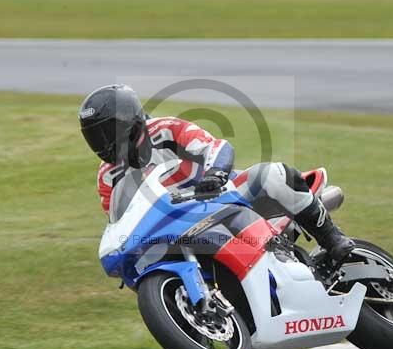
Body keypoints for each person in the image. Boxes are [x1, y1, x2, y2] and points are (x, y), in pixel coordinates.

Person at [78, 84, 355, 265]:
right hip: (177, 226)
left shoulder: (165, 129)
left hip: (224, 195)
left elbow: (217, 147)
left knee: (272, 174)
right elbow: (120, 221)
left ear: (130, 121)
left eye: (107, 131)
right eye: (94, 136)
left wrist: (215, 175)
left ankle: (333, 238)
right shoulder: (107, 177)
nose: (103, 143)